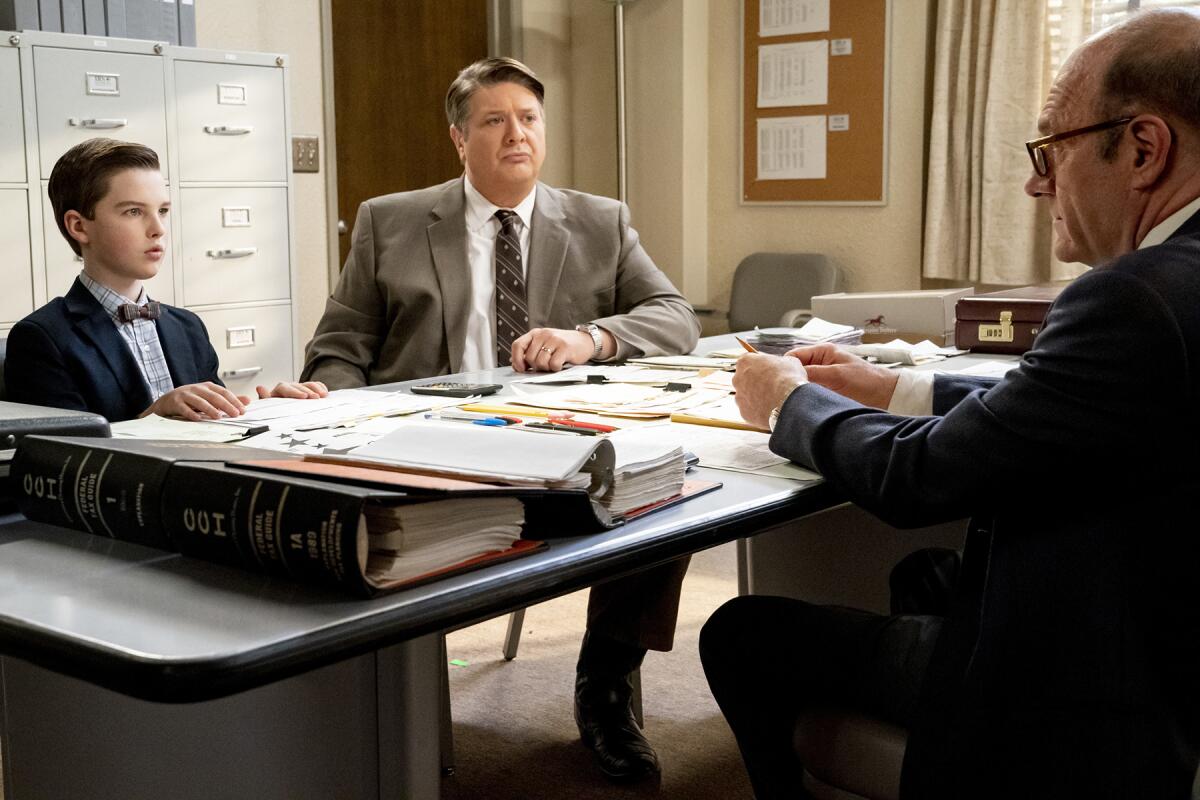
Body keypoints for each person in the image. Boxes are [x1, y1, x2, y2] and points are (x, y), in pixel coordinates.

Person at [702, 8, 1200, 799]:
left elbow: (921, 478)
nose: (1038, 181)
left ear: (1143, 149)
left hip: (1079, 694)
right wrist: (890, 386)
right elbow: (1062, 405)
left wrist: (786, 401)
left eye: (1052, 149)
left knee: (738, 631)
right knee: (928, 574)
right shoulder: (1172, 289)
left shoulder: (1135, 298)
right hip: (1155, 622)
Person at [300, 58, 701, 781]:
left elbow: (673, 316)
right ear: (459, 139)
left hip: (558, 432)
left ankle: (604, 686)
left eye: (528, 118)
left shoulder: (599, 220)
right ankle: (396, 727)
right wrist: (336, 425)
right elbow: (338, 348)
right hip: (427, 439)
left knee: (662, 503)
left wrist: (592, 338)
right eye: (494, 120)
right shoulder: (389, 220)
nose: (516, 133)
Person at [5, 138, 327, 422]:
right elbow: (62, 457)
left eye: (163, 210)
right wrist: (154, 416)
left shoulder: (188, 328)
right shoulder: (41, 338)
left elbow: (217, 428)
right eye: (133, 212)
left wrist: (272, 413)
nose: (158, 228)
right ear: (79, 226)